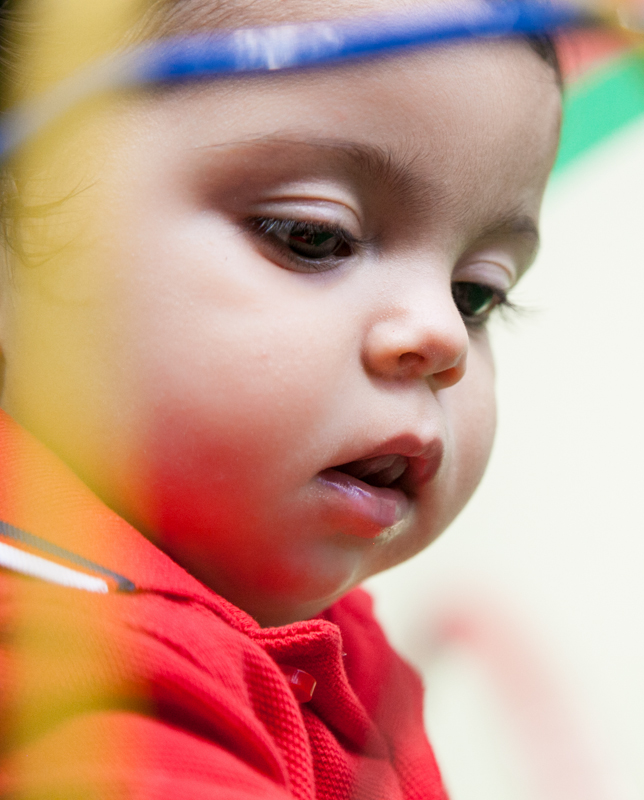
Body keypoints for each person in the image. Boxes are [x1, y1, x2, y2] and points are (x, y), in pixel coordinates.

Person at [0, 0, 562, 796]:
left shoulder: (331, 640)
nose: (441, 335)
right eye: (312, 235)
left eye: (477, 294)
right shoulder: (69, 671)